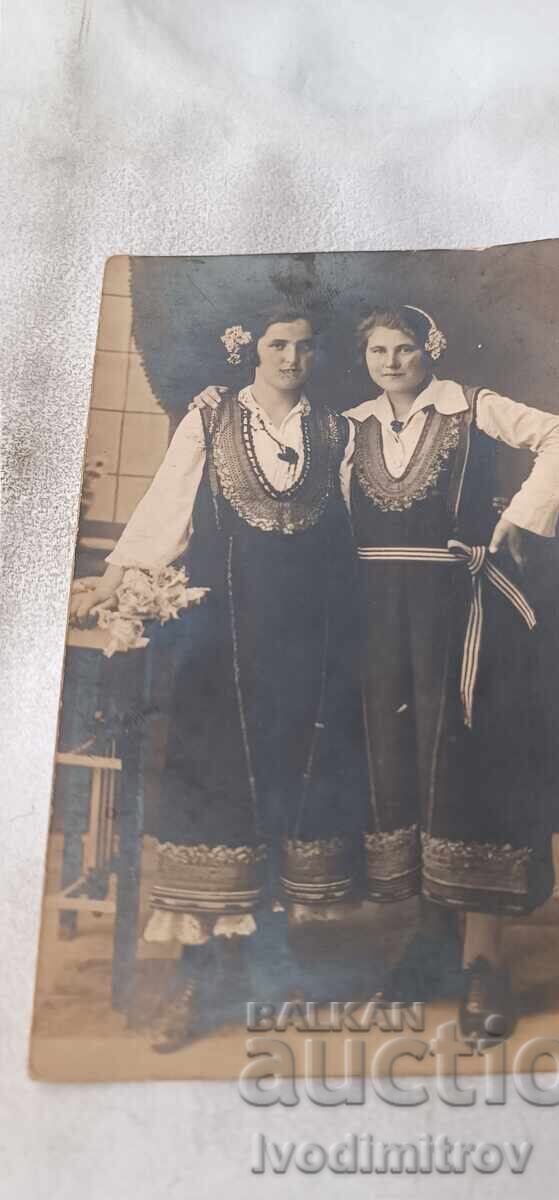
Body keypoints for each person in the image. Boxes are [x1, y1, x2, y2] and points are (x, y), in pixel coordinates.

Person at [70, 307, 363, 1051]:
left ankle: (266, 966)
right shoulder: (209, 419)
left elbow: (356, 531)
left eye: (303, 345)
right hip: (219, 642)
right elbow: (165, 511)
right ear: (248, 349)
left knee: (290, 786)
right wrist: (111, 582)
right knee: (212, 791)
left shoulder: (336, 432)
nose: (291, 357)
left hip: (306, 645)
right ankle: (197, 975)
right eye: (277, 344)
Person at [341, 303, 559, 1039]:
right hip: (378, 621)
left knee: (469, 772)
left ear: (432, 349)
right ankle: (429, 944)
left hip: (461, 611)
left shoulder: (471, 407)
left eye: (405, 348)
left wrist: (519, 515)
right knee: (405, 770)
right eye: (378, 351)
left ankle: (484, 963)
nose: (391, 362)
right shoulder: (349, 426)